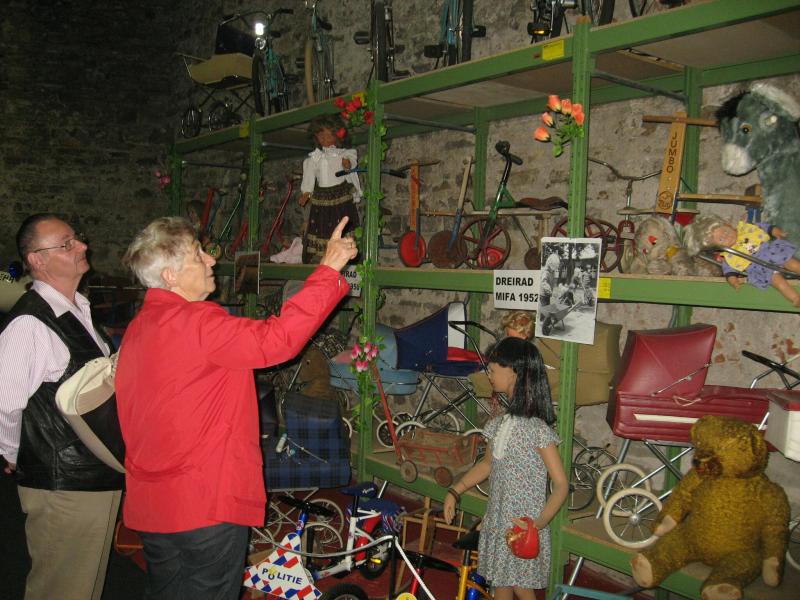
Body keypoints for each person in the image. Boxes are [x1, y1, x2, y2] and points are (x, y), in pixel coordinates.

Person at [115, 215, 357, 600]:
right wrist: (328, 270)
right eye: (199, 254)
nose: (212, 260)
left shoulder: (140, 326)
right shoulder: (198, 322)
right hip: (203, 503)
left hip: (154, 503)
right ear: (170, 275)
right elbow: (278, 340)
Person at [0, 213, 122, 600]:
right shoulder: (30, 323)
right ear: (37, 260)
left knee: (83, 585)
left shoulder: (77, 309)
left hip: (91, 475)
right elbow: (3, 402)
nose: (83, 246)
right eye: (67, 244)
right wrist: (14, 454)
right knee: (62, 588)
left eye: (77, 238)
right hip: (63, 483)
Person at [443, 337, 568, 600]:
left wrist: (538, 523)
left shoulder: (537, 431)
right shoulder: (499, 424)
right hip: (499, 520)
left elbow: (561, 485)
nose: (489, 374)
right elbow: (487, 464)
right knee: (502, 583)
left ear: (514, 372)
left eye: (493, 369)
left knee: (519, 586)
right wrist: (456, 490)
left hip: (521, 526)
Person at [685, 214, 800, 306]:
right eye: (721, 239)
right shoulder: (729, 256)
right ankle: (795, 298)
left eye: (725, 231)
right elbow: (729, 271)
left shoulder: (745, 229)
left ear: (728, 225)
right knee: (779, 283)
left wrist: (775, 231)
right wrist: (733, 280)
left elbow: (763, 227)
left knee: (793, 264)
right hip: (762, 268)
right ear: (717, 248)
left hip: (773, 252)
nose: (726, 236)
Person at [299, 114, 362, 263]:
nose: (325, 139)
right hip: (321, 198)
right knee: (322, 226)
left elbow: (351, 162)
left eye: (329, 135)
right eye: (321, 135)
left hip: (340, 196)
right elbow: (309, 177)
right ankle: (324, 256)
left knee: (341, 225)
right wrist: (306, 192)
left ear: (337, 136)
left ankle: (346, 254)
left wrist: (347, 163)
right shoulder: (314, 158)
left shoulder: (343, 154)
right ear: (316, 137)